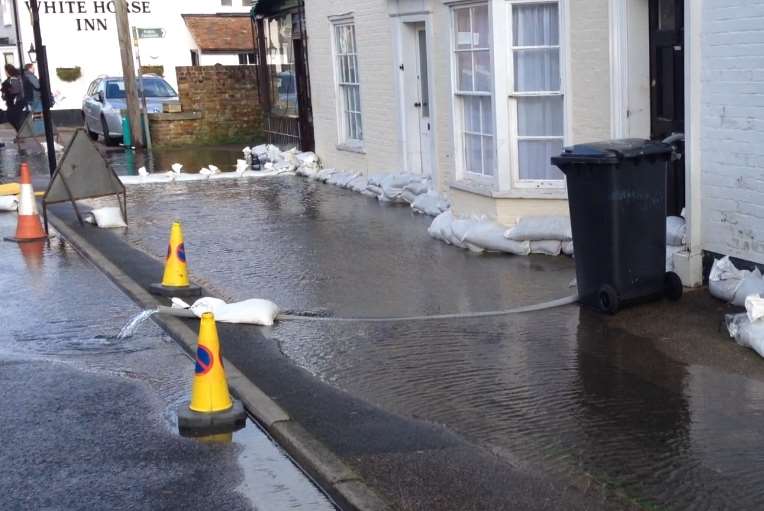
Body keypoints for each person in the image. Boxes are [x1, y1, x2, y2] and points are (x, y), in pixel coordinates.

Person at [1, 64, 26, 132]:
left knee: (12, 118)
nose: (5, 73)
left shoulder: (14, 79)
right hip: (16, 102)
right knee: (12, 118)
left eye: (5, 71)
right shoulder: (14, 79)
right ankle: (19, 135)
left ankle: (20, 135)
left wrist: (6, 92)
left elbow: (15, 91)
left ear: (8, 71)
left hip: (16, 103)